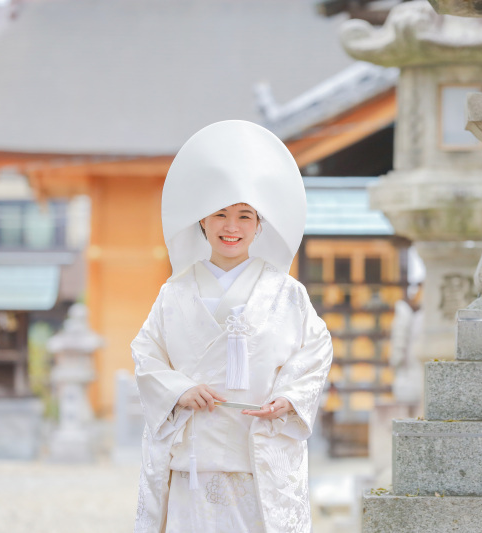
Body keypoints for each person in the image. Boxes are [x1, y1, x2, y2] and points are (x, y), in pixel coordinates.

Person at [132, 121, 333, 533]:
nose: (232, 227)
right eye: (220, 214)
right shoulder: (175, 292)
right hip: (193, 457)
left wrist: (290, 399)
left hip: (257, 453)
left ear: (260, 225)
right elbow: (146, 353)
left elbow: (316, 349)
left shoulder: (286, 294)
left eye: (244, 215)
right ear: (201, 222)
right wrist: (180, 390)